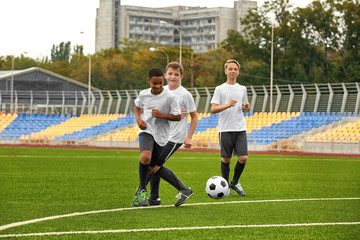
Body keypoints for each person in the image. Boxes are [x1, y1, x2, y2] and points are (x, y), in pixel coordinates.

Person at [132, 67, 194, 207]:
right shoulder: (143, 94)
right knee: (145, 157)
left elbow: (178, 116)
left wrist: (161, 115)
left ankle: (182, 190)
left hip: (163, 136)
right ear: (149, 81)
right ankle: (143, 191)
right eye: (155, 83)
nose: (158, 86)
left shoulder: (170, 97)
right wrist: (138, 119)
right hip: (147, 131)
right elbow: (137, 106)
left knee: (154, 167)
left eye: (160, 83)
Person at [147, 61, 198, 206]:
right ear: (165, 75)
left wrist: (189, 137)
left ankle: (184, 189)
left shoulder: (185, 95)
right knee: (155, 165)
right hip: (160, 135)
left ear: (181, 77)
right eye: (170, 73)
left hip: (175, 137)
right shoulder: (160, 90)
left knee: (154, 166)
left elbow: (194, 116)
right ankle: (154, 198)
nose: (173, 77)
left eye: (176, 74)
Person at [210, 59, 250, 197]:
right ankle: (225, 187)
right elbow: (213, 109)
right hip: (225, 129)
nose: (233, 71)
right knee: (226, 159)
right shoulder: (219, 89)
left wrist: (245, 107)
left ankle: (234, 182)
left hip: (240, 128)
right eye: (230, 69)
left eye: (235, 69)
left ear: (238, 72)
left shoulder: (242, 89)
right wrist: (227, 105)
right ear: (225, 71)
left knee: (243, 158)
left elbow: (242, 107)